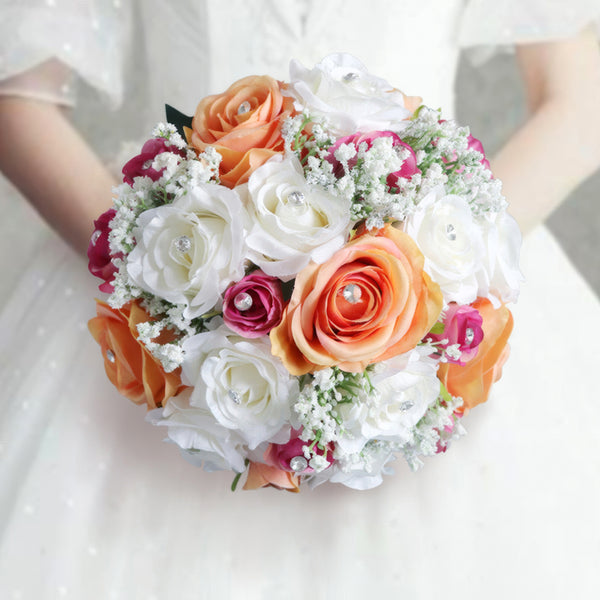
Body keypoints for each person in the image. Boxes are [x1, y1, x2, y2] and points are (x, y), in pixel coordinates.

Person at [0, 1, 599, 598]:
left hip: (441, 267)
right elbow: (17, 97)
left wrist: (444, 286)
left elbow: (582, 100)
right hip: (167, 261)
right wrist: (159, 279)